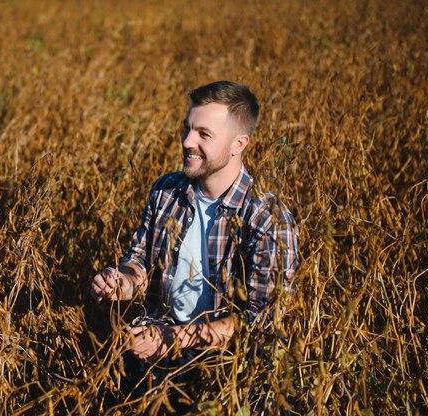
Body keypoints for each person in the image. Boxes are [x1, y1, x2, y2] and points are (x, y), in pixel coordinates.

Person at [91, 80, 299, 406]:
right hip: (158, 348)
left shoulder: (266, 219)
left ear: (238, 144)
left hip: (230, 367)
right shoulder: (166, 191)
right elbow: (141, 259)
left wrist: (175, 339)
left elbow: (262, 320)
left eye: (204, 134)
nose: (188, 141)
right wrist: (123, 282)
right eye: (187, 128)